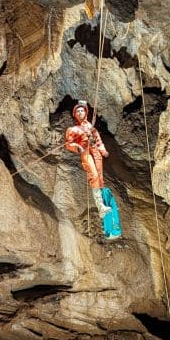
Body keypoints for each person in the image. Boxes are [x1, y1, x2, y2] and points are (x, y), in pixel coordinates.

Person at [64, 101, 121, 239]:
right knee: (93, 175)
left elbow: (98, 141)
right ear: (75, 115)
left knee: (100, 179)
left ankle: (102, 207)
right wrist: (77, 147)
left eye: (82, 111)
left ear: (86, 113)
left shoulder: (92, 128)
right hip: (86, 153)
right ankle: (100, 205)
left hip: (96, 154)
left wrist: (103, 151)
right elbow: (68, 143)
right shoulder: (73, 129)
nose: (80, 113)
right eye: (77, 112)